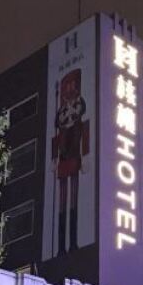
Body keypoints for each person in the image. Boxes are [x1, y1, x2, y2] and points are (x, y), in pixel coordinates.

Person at [51, 69, 90, 255]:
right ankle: (60, 247)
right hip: (63, 162)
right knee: (62, 201)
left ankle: (73, 243)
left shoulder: (80, 124)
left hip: (74, 159)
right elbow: (55, 141)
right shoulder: (62, 125)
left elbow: (85, 137)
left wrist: (86, 157)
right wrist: (53, 160)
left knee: (73, 198)